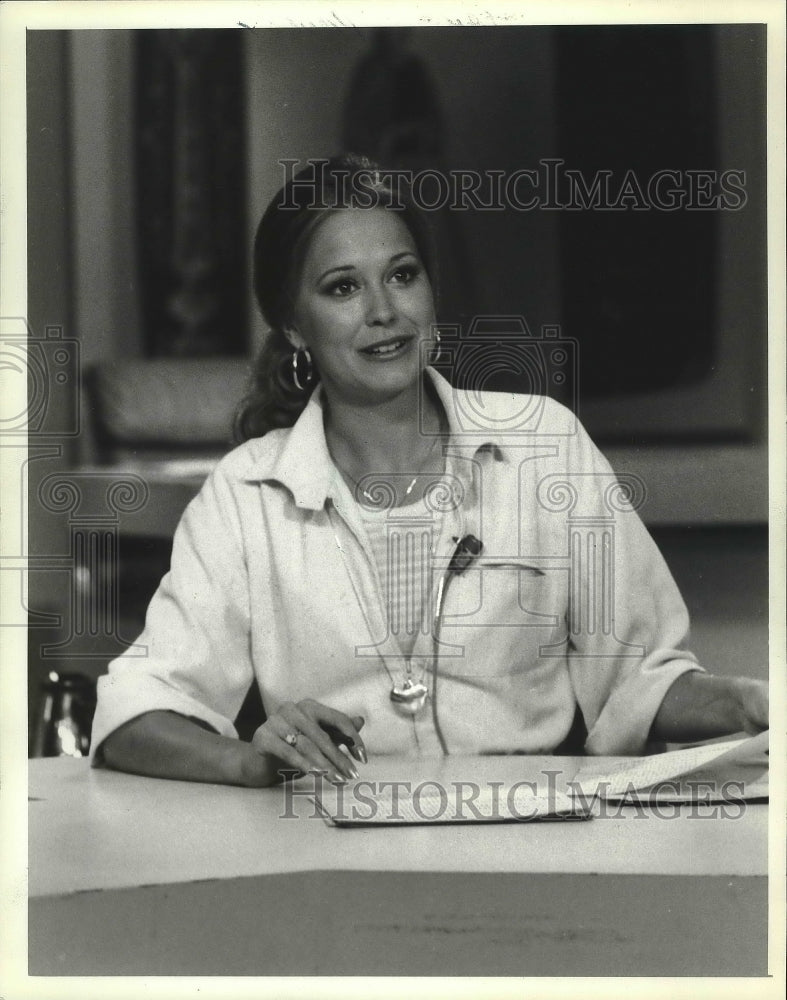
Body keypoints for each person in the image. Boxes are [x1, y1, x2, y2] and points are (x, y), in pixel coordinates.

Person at [91, 154, 768, 787]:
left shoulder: (544, 443)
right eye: (342, 287)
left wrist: (747, 703)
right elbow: (133, 712)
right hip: (332, 855)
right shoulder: (245, 493)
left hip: (535, 841)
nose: (383, 310)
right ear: (292, 326)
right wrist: (252, 763)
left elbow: (640, 681)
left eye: (402, 274)